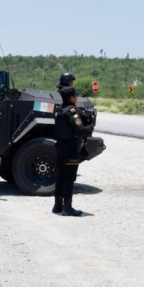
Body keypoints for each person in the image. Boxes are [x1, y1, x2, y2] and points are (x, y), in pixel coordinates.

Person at [53, 86, 94, 216]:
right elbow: (79, 130)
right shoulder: (72, 111)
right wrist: (91, 125)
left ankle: (57, 206)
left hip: (60, 147)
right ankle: (68, 208)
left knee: (60, 177)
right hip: (70, 149)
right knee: (69, 178)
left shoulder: (59, 110)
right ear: (71, 97)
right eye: (75, 96)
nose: (76, 98)